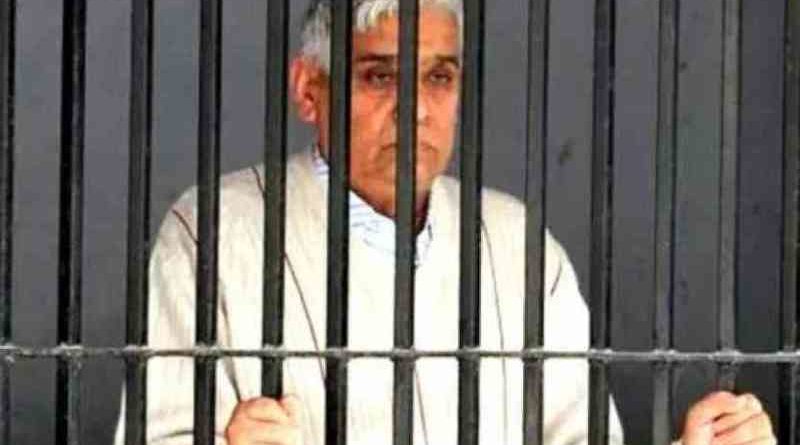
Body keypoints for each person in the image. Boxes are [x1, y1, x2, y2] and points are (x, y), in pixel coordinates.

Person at [115, 1, 777, 444]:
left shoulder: (519, 246)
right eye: (380, 77)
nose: (417, 109)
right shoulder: (211, 234)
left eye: (438, 77)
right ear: (308, 89)